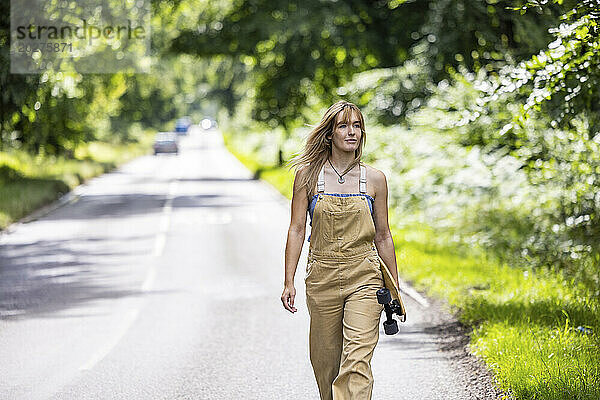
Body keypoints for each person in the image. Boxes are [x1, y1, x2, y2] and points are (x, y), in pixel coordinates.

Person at [281, 100, 401, 400]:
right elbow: (297, 229)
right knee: (326, 366)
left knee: (357, 361)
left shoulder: (375, 179)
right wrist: (288, 281)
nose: (352, 132)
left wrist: (394, 286)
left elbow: (384, 236)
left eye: (357, 126)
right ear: (329, 134)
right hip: (321, 277)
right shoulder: (308, 177)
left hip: (365, 276)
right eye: (344, 126)